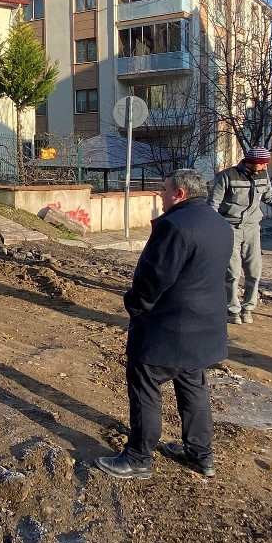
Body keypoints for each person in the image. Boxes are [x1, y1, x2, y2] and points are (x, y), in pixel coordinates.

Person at [95, 169, 233, 480]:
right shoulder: (220, 224)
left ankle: (139, 457)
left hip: (167, 328)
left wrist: (135, 305)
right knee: (193, 387)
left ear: (180, 194)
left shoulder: (174, 226)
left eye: (165, 190)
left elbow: (154, 278)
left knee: (145, 385)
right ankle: (201, 455)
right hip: (205, 327)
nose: (161, 194)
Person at [208, 147, 272, 324]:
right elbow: (213, 205)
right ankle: (233, 310)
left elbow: (270, 198)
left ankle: (248, 308)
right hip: (229, 228)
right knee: (232, 272)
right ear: (251, 162)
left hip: (253, 228)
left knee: (254, 271)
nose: (265, 166)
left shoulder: (263, 176)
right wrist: (213, 229)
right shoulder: (226, 176)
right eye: (262, 163)